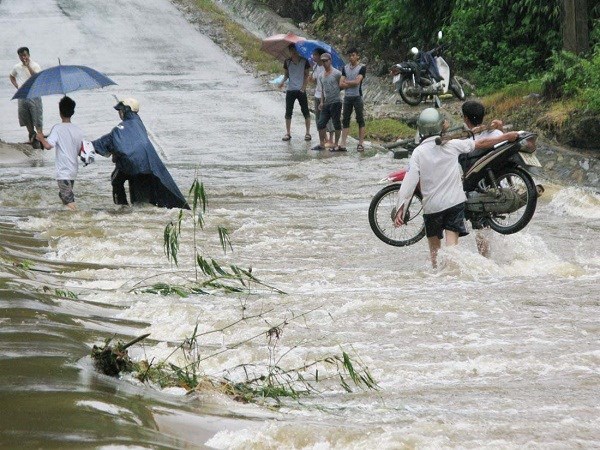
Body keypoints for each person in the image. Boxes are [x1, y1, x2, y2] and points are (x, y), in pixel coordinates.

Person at [394, 108, 518, 268]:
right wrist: (506, 136)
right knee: (452, 247)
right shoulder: (453, 145)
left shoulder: (418, 152)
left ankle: (438, 277)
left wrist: (400, 209)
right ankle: (452, 277)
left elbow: (409, 182)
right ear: (440, 126)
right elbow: (481, 143)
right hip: (454, 204)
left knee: (435, 252)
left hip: (432, 207)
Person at [91, 98, 189, 209]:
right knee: (141, 201)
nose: (119, 113)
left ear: (125, 110)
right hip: (146, 164)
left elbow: (108, 140)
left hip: (129, 164)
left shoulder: (121, 128)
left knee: (116, 180)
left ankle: (122, 207)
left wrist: (88, 145)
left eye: (120, 110)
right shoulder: (138, 123)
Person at [461, 100, 504, 257]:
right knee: (485, 228)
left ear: (465, 118)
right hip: (496, 185)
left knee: (480, 228)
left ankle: (485, 261)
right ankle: (488, 259)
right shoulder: (498, 134)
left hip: (476, 190)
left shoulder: (465, 142)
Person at [36, 96, 83, 211]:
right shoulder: (78, 129)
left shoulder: (57, 128)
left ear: (60, 112)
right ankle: (66, 218)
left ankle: (78, 218)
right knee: (63, 195)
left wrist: (41, 138)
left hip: (63, 171)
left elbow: (48, 146)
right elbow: (79, 151)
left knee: (69, 201)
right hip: (73, 170)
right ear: (73, 112)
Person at [9, 47, 43, 146]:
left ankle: (40, 137)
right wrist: (17, 87)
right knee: (25, 117)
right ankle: (31, 136)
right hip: (22, 95)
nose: (23, 57)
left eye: (25, 55)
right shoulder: (17, 67)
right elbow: (11, 76)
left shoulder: (35, 65)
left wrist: (28, 66)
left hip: (34, 94)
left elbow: (36, 77)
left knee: (37, 117)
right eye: (21, 56)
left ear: (28, 55)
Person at [278, 44, 311, 142]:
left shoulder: (304, 61)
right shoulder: (287, 62)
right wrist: (282, 82)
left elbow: (306, 75)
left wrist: (303, 87)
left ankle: (308, 133)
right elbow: (286, 75)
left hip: (301, 89)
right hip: (290, 89)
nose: (293, 52)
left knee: (305, 111)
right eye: (291, 50)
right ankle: (288, 133)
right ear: (289, 51)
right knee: (288, 112)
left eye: (295, 50)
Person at [312, 52, 343, 151]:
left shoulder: (337, 73)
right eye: (323, 61)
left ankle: (336, 143)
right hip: (326, 102)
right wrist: (321, 102)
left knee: (336, 123)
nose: (324, 63)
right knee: (321, 123)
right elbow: (322, 90)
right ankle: (322, 143)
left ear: (330, 61)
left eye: (326, 61)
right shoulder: (321, 75)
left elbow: (341, 85)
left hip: (336, 101)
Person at [338, 48, 367, 152]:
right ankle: (343, 143)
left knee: (360, 119)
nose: (351, 57)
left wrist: (346, 82)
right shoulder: (345, 68)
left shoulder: (362, 68)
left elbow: (357, 82)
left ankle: (360, 143)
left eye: (353, 55)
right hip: (347, 97)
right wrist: (350, 82)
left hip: (357, 96)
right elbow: (340, 84)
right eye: (350, 56)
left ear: (357, 56)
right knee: (345, 119)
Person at [310, 48, 335, 147]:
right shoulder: (315, 66)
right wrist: (311, 79)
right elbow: (316, 81)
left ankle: (331, 139)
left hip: (326, 96)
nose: (313, 57)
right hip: (317, 94)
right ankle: (325, 139)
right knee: (319, 119)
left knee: (328, 118)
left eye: (315, 55)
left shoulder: (327, 68)